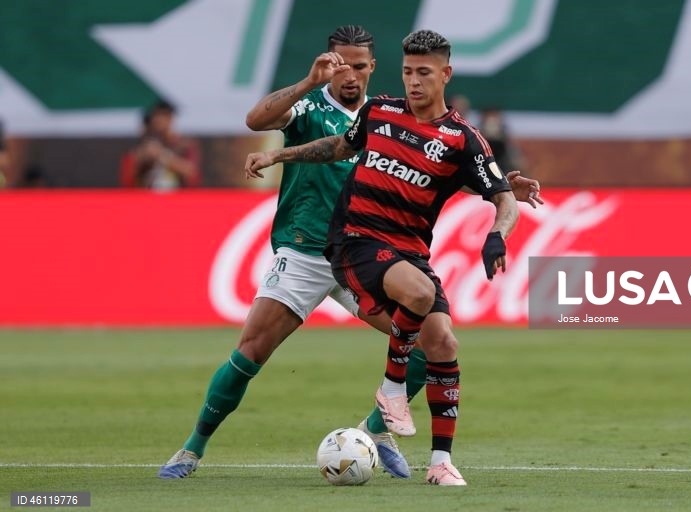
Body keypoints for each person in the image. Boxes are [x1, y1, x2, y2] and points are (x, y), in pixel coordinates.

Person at [159, 26, 542, 481]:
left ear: (372, 68)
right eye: (340, 66)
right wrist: (306, 83)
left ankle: (376, 429)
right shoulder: (312, 107)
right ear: (329, 64)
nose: (349, 75)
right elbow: (256, 121)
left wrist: (489, 187)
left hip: (373, 254)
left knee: (428, 346)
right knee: (251, 352)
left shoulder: (390, 114)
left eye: (359, 66)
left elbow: (428, 171)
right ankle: (191, 450)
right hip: (306, 250)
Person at [119, 99, 202, 189]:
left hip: (177, 197)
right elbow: (126, 179)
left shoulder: (184, 144)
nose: (159, 120)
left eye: (163, 116)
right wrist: (141, 157)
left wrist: (162, 155)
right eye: (156, 116)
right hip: (147, 198)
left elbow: (192, 173)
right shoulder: (142, 145)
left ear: (171, 118)